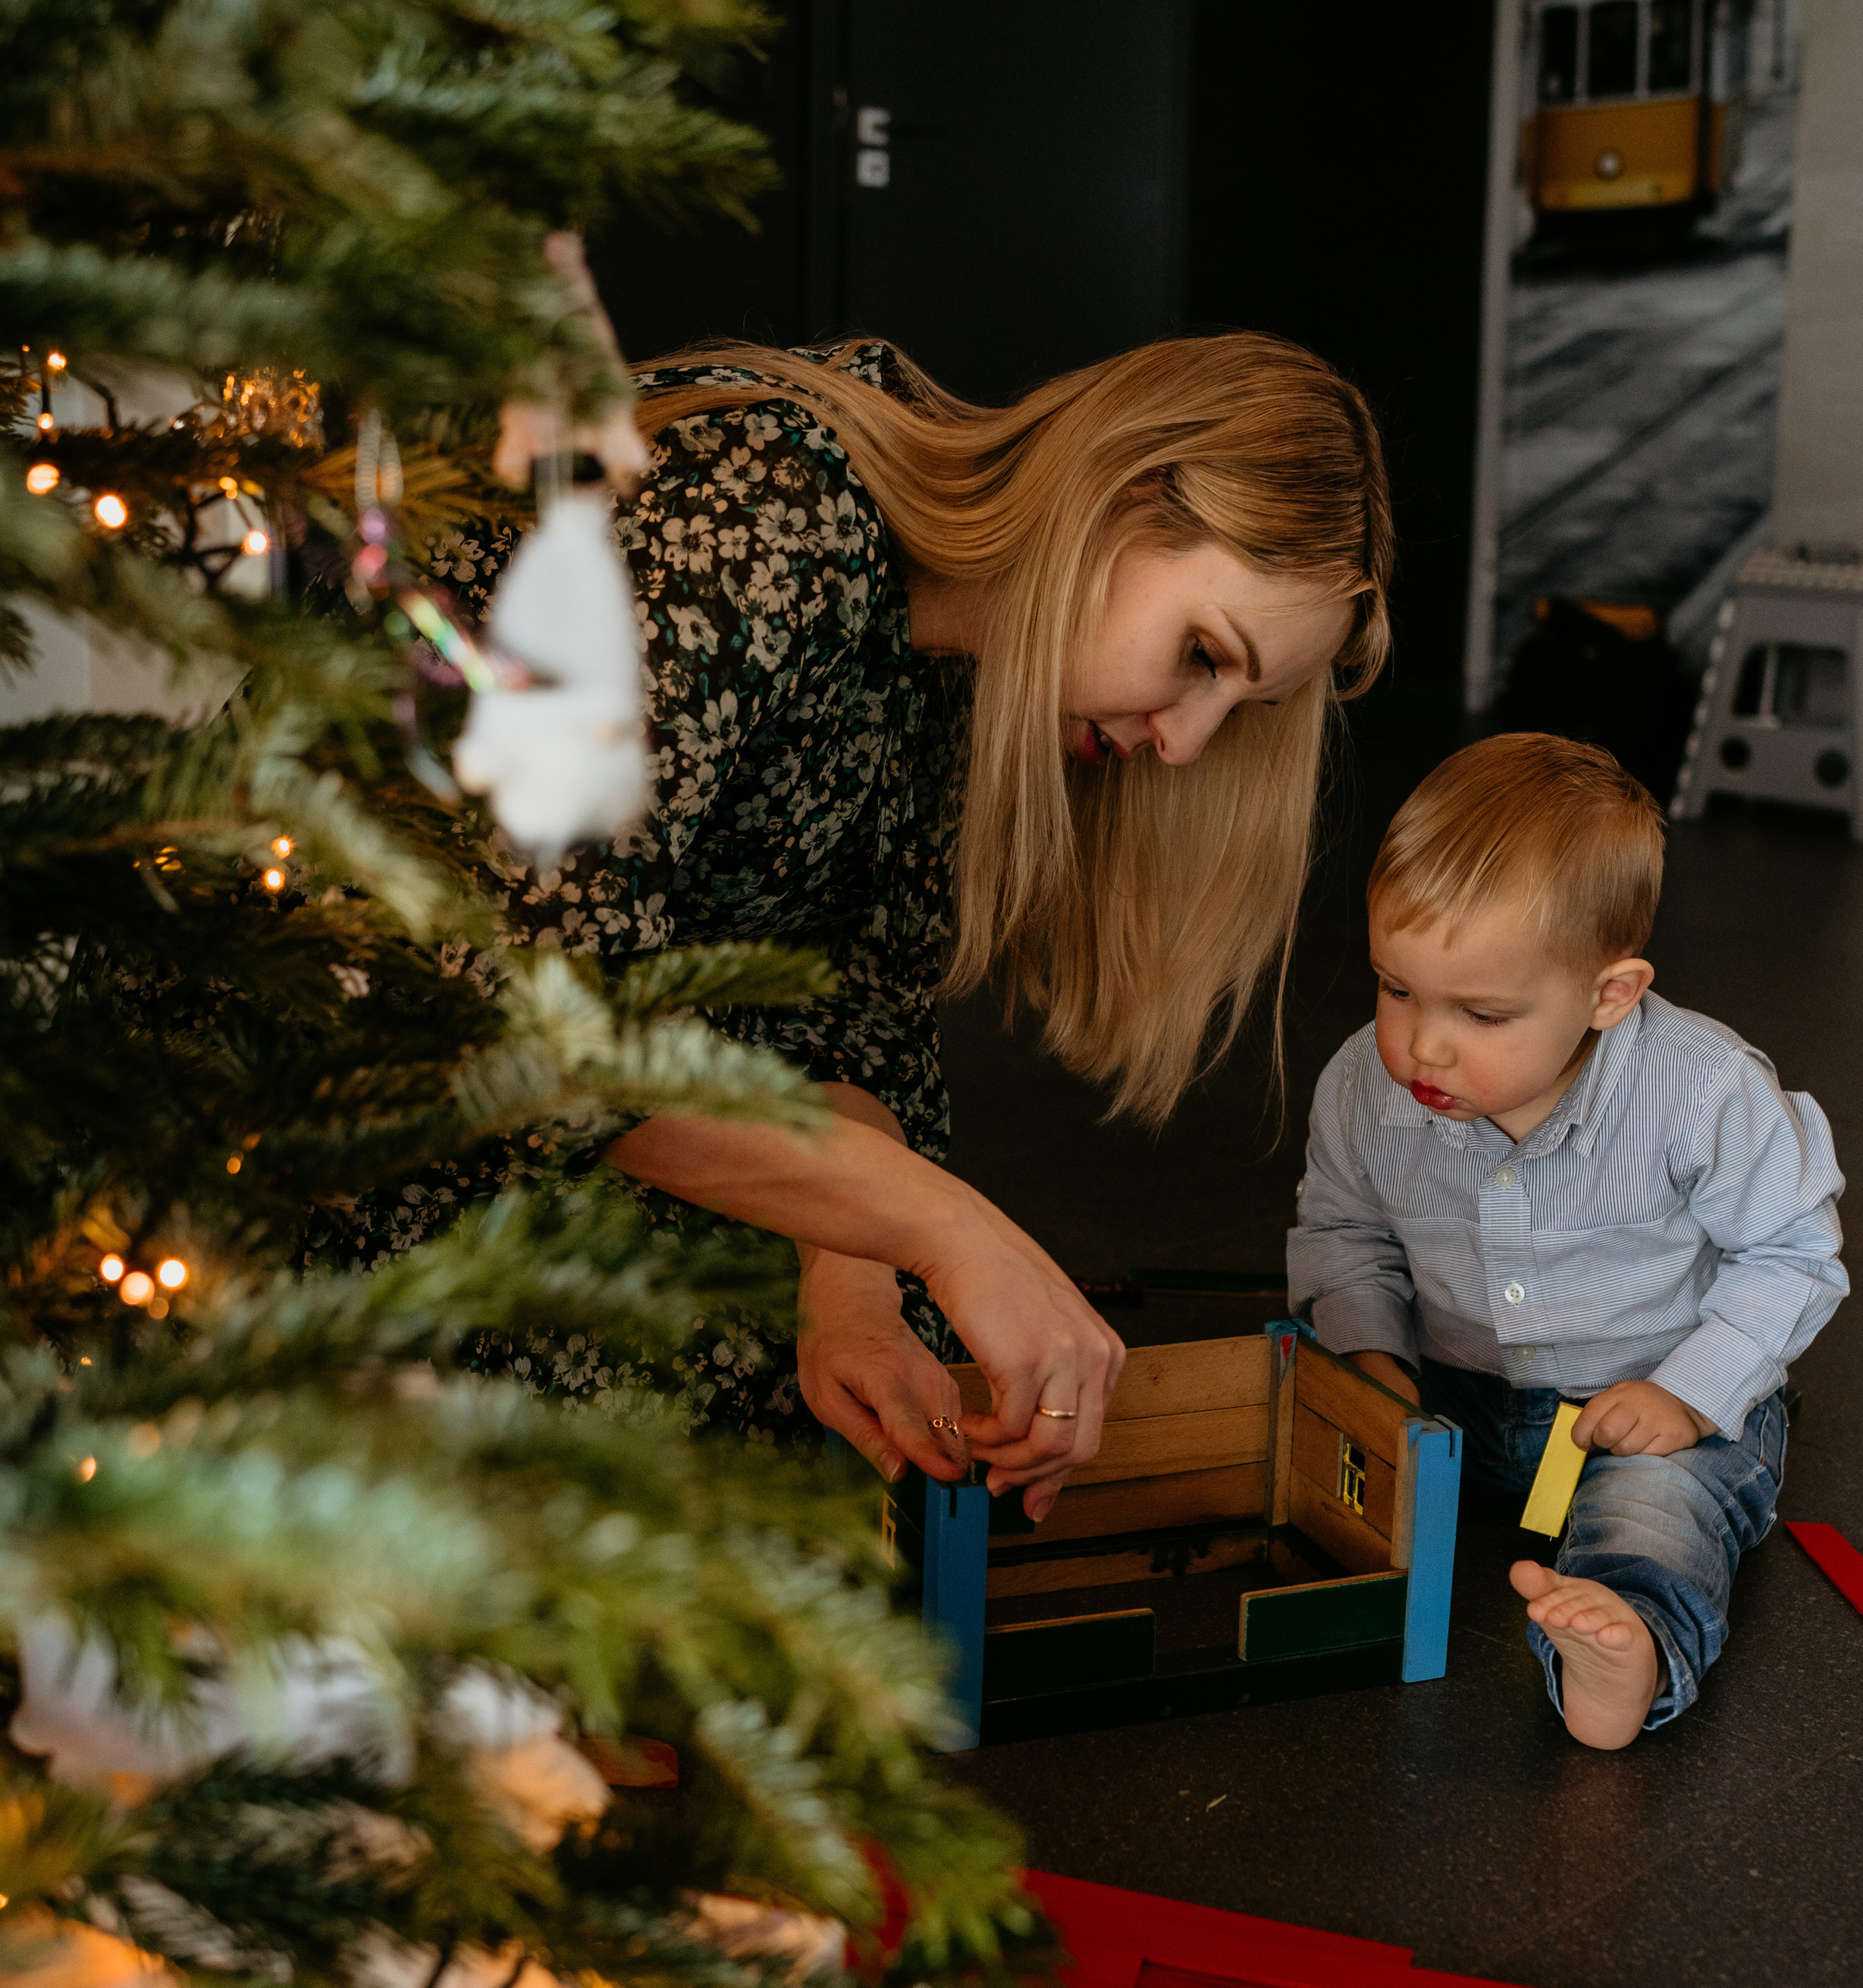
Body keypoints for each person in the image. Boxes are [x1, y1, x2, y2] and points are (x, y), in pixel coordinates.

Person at [362, 332, 1392, 1516]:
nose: (1186, 742)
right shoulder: (759, 513)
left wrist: (851, 1290)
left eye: (1238, 703)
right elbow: (537, 1023)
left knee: (829, 1435)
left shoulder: (967, 669)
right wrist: (948, 1235)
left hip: (550, 1120)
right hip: (338, 1097)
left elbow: (840, 1016)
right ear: (1118, 496)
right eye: (1202, 656)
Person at [1287, 734, 1847, 1748]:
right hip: (1455, 1387)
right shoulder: (1363, 1087)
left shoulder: (1705, 1090)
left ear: (1610, 994)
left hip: (1647, 1398)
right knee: (1319, 1433)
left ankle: (1628, 1641)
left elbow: (1795, 1257)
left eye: (1483, 1012)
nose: (1423, 1043)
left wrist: (1688, 1393)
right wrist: (1371, 1359)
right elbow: (1344, 1230)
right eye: (1395, 986)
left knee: (1656, 1517)